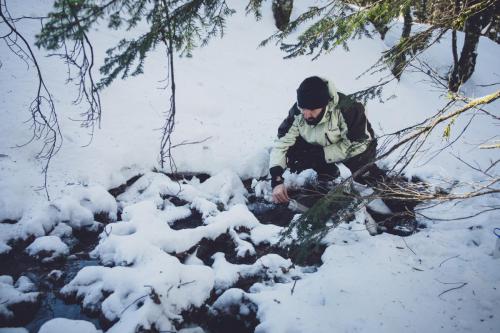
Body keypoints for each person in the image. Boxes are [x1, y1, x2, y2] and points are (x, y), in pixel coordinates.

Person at [269, 76, 380, 204]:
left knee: (365, 173)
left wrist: (322, 154)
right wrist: (276, 179)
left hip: (356, 147)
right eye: (303, 109)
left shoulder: (348, 108)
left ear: (325, 105)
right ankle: (328, 175)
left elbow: (359, 142)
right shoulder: (298, 112)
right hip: (320, 144)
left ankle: (393, 194)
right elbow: (282, 143)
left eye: (312, 110)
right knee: (295, 152)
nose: (307, 114)